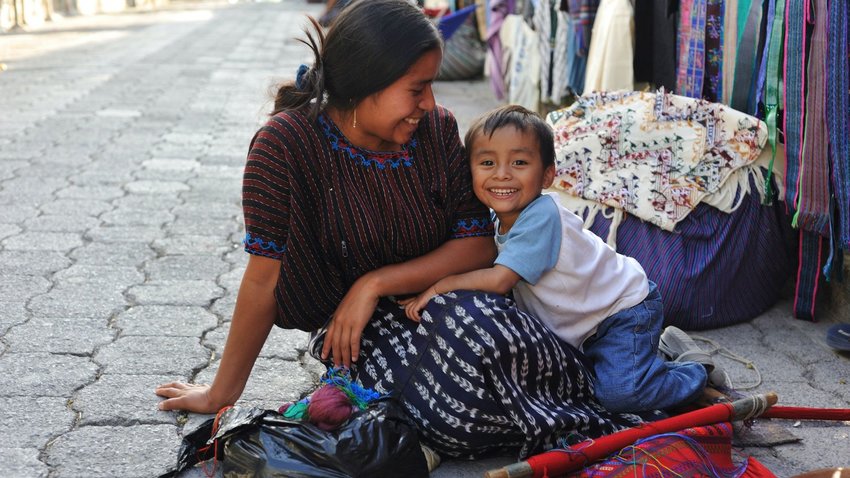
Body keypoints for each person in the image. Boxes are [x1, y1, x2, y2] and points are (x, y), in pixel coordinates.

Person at [155, 0, 650, 461]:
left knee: (480, 342)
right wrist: (222, 393)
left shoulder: (435, 132)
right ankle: (609, 386)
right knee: (451, 419)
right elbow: (264, 278)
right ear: (366, 82)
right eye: (417, 88)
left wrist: (373, 283)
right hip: (364, 335)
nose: (430, 103)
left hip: (451, 301)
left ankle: (621, 377)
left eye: (431, 85)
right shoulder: (284, 147)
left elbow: (478, 245)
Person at [402, 104, 708, 413]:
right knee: (577, 389)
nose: (502, 174)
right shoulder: (493, 221)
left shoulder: (541, 216)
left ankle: (692, 371)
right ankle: (653, 359)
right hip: (582, 326)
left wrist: (439, 287)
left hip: (622, 312)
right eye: (487, 162)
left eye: (519, 162)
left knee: (620, 395)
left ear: (548, 174)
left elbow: (499, 279)